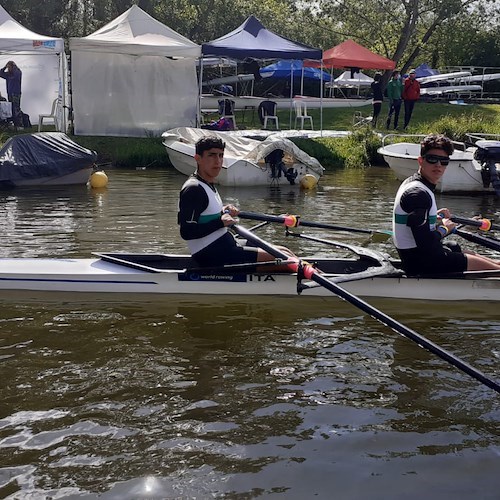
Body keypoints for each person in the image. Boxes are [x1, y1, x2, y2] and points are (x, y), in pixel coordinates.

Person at [178, 135, 296, 269]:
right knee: (287, 262)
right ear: (198, 158)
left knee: (284, 251)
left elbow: (204, 214)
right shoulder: (193, 189)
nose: (218, 161)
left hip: (224, 245)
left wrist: (223, 211)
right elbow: (187, 232)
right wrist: (220, 222)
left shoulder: (206, 184)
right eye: (211, 155)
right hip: (211, 255)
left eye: (221, 156)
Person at [393, 133, 500, 276]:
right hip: (422, 263)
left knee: (460, 249)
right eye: (432, 159)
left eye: (443, 161)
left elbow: (417, 227)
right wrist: (444, 229)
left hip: (421, 256)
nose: (438, 165)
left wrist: (433, 219)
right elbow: (425, 243)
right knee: (497, 271)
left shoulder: (412, 182)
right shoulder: (418, 194)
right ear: (420, 161)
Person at [0, 61, 22, 127]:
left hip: (16, 93)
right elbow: (0, 73)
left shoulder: (18, 72)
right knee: (11, 109)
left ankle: (19, 125)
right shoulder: (8, 74)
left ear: (13, 66)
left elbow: (16, 76)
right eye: (8, 67)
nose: (9, 68)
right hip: (10, 93)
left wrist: (14, 67)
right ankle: (14, 124)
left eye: (10, 67)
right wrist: (4, 67)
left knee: (16, 109)